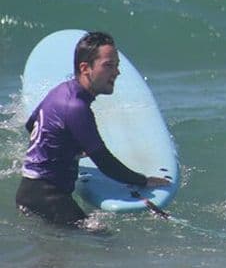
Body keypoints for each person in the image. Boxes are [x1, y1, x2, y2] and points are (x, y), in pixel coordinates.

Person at [16, 31, 171, 226]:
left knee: (59, 255)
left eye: (117, 65)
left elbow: (32, 125)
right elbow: (105, 162)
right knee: (105, 245)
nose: (116, 72)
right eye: (108, 66)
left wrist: (66, 147)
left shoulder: (61, 91)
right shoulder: (77, 108)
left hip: (31, 193)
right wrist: (144, 180)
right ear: (85, 68)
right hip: (48, 199)